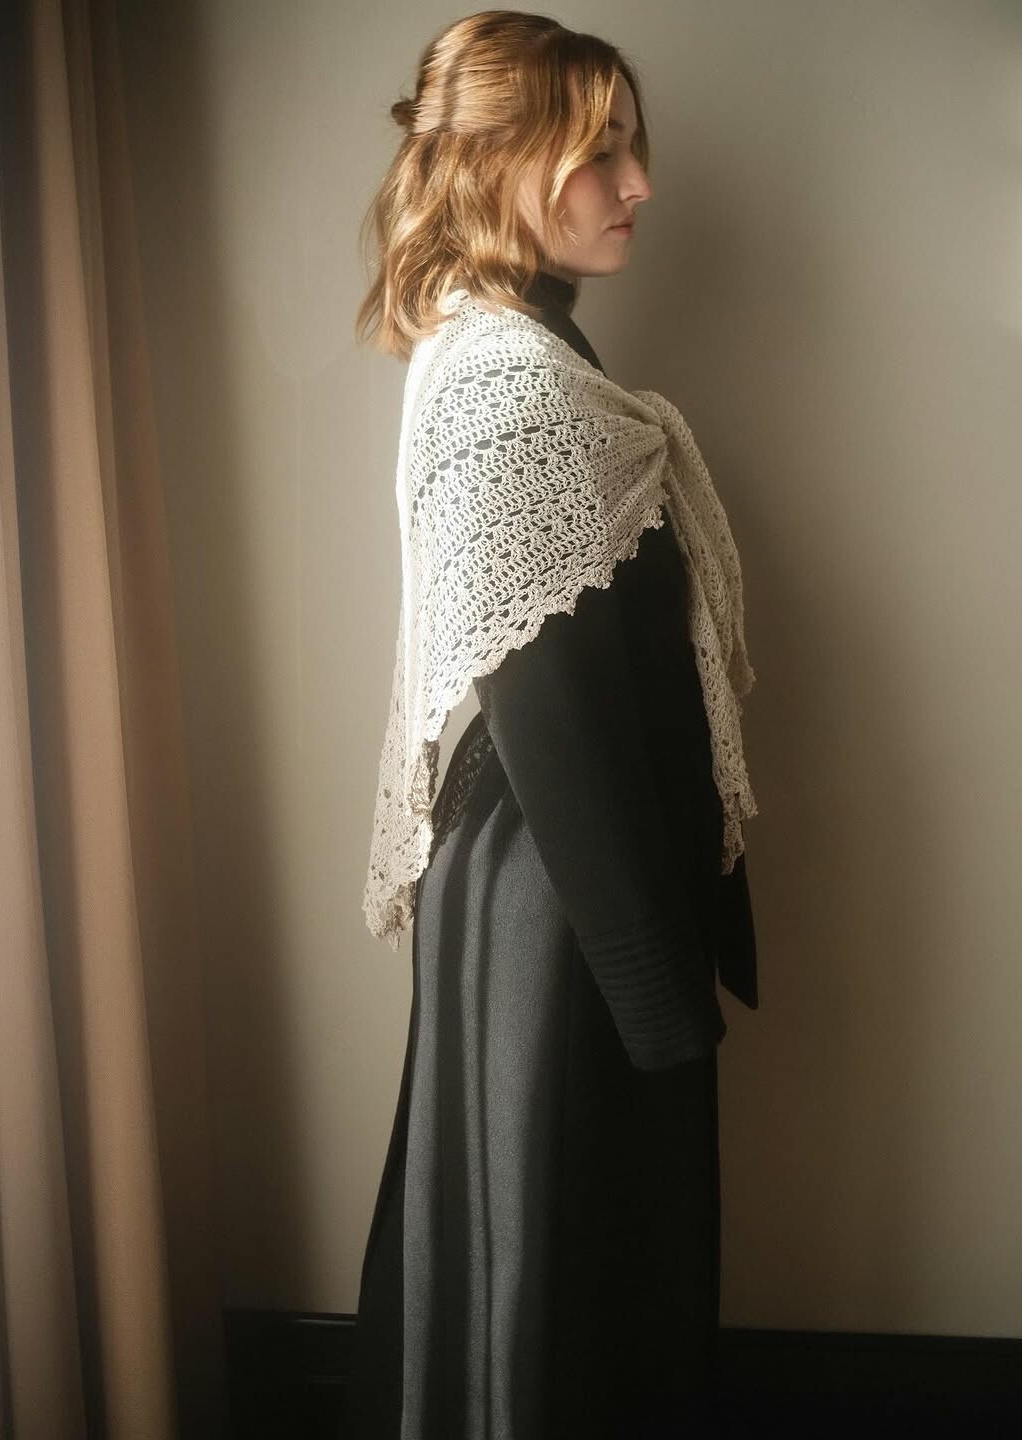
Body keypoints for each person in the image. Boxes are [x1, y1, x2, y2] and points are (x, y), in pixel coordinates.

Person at [342, 12, 759, 1439]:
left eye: (635, 146)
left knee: (557, 1267)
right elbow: (544, 706)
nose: (639, 184)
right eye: (603, 152)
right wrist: (658, 995)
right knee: (564, 1276)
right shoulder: (508, 384)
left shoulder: (522, 351)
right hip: (563, 896)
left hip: (563, 886)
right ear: (502, 162)